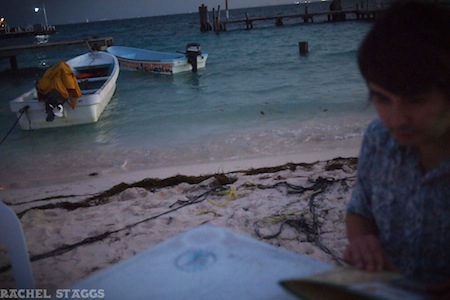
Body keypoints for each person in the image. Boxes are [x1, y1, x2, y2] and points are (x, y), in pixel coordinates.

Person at [343, 0, 450, 297]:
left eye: (416, 100)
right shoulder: (379, 139)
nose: (395, 119)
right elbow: (359, 211)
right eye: (381, 98)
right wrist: (363, 242)